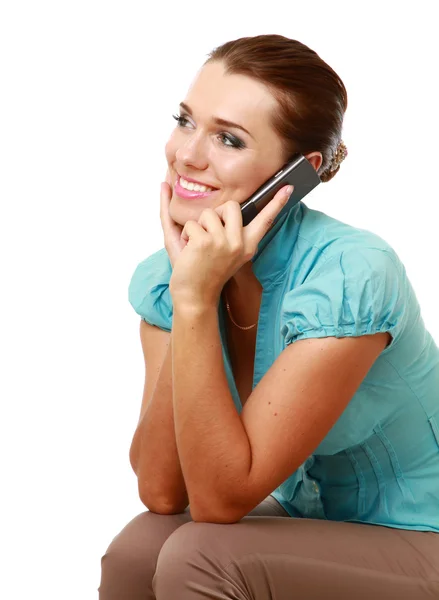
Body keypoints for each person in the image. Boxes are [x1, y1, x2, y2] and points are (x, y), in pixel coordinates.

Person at [98, 34, 439, 599]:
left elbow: (220, 500)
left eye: (228, 138)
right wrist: (193, 297)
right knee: (140, 548)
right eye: (186, 121)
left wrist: (193, 299)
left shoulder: (350, 274)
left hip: (422, 531)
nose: (187, 154)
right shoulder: (172, 277)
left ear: (297, 175)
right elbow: (162, 490)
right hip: (314, 519)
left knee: (201, 557)